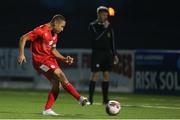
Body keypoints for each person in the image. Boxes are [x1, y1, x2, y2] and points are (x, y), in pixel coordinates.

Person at [17, 14, 90, 116]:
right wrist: (21, 54)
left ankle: (47, 110)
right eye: (62, 26)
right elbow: (23, 38)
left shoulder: (55, 34)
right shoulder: (41, 30)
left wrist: (64, 59)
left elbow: (53, 50)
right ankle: (80, 98)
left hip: (49, 60)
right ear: (55, 23)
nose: (62, 29)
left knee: (57, 84)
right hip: (40, 62)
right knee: (60, 74)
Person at [88, 6, 119, 105]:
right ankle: (90, 99)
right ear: (98, 14)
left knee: (106, 75)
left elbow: (112, 41)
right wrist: (105, 28)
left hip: (107, 54)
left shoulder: (109, 26)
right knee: (95, 74)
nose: (105, 16)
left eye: (106, 15)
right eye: (103, 14)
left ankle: (105, 99)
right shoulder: (92, 25)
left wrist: (115, 54)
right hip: (97, 53)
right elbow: (96, 38)